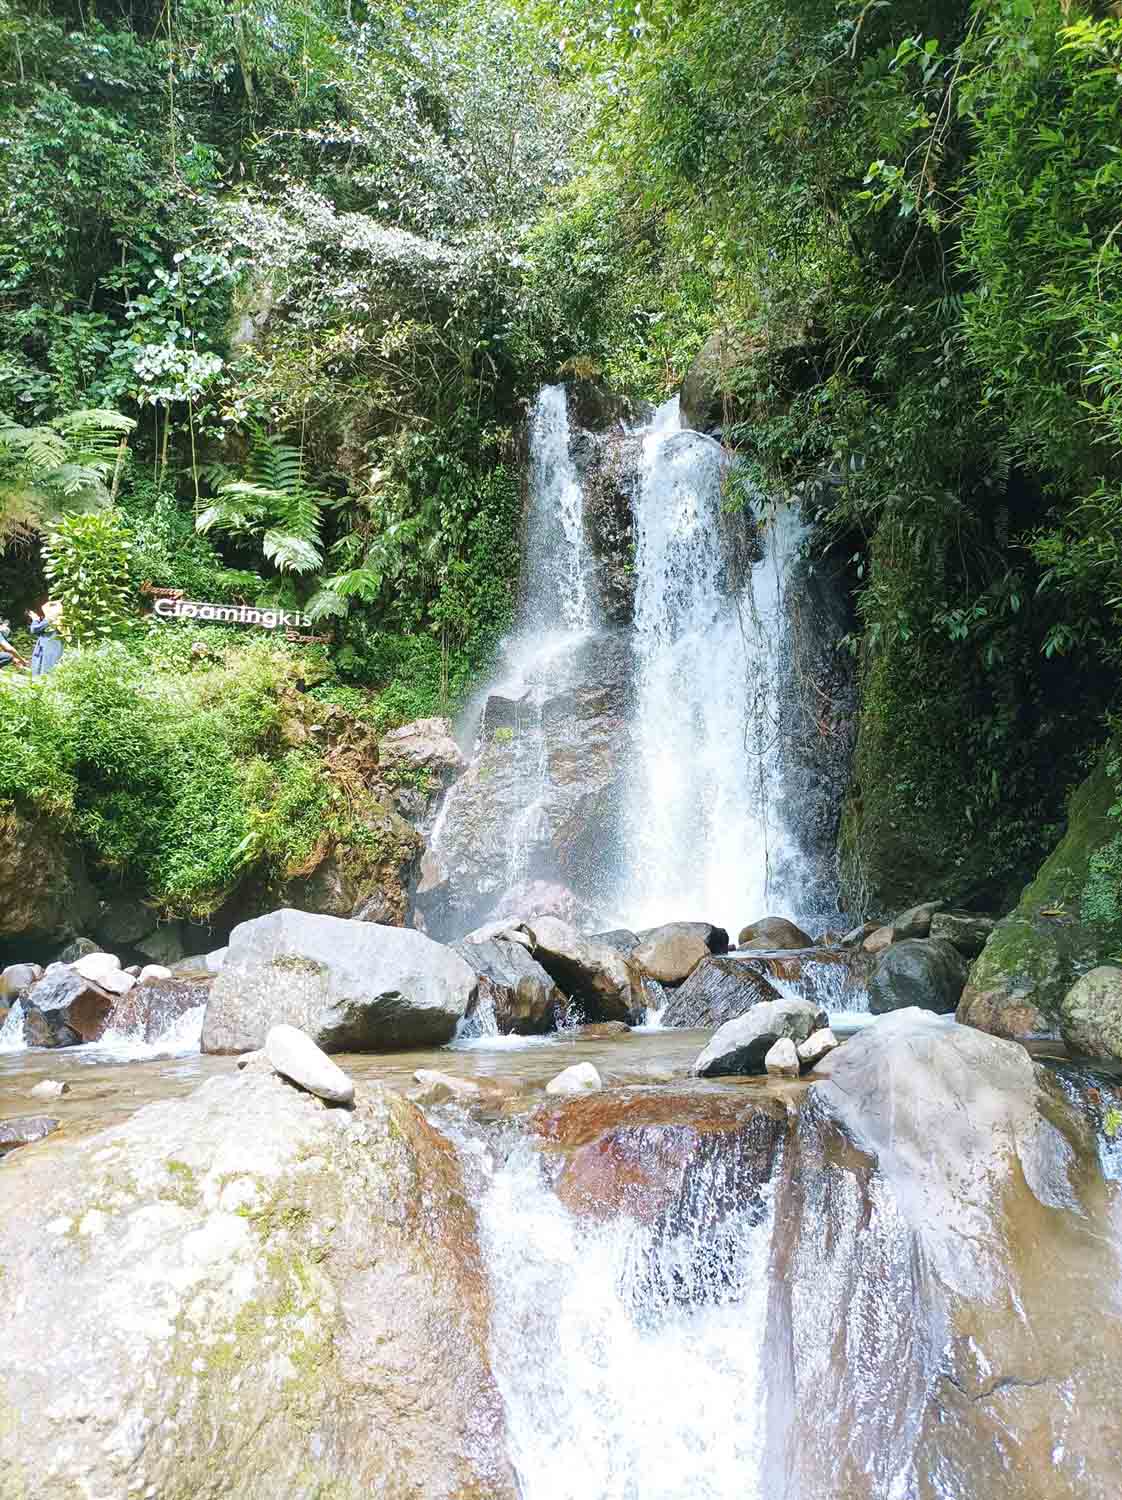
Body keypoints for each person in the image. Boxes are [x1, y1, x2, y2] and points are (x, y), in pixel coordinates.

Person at [28, 600, 64, 677]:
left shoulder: (50, 620)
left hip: (47, 650)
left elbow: (34, 629)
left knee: (45, 671)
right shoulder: (61, 621)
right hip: (53, 649)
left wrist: (35, 620)